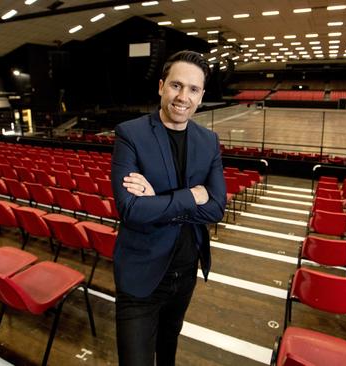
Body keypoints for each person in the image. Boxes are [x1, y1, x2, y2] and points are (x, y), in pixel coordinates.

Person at [110, 50, 227, 366]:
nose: (183, 97)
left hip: (185, 272)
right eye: (176, 86)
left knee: (168, 352)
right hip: (140, 276)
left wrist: (156, 200)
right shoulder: (130, 134)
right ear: (161, 86)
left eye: (193, 89)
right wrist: (191, 196)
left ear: (201, 96)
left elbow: (217, 207)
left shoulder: (209, 140)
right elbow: (131, 210)